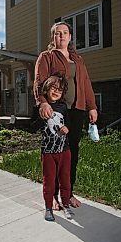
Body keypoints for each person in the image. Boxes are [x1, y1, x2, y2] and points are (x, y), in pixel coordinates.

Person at [34, 21, 98, 210]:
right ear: (53, 38)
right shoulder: (46, 57)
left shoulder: (78, 59)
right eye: (57, 33)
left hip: (77, 110)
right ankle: (51, 196)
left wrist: (92, 106)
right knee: (53, 153)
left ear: (70, 37)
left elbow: (85, 83)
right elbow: (39, 81)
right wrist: (43, 102)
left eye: (65, 33)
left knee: (71, 154)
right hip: (56, 111)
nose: (61, 36)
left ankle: (68, 194)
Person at [38, 75, 73, 221]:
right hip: (48, 152)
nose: (57, 91)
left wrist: (66, 128)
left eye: (60, 89)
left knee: (65, 179)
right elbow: (35, 126)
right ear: (46, 89)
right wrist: (41, 115)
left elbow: (68, 125)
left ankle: (65, 204)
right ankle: (48, 207)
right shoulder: (41, 108)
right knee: (49, 181)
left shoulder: (63, 107)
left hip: (64, 150)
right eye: (54, 88)